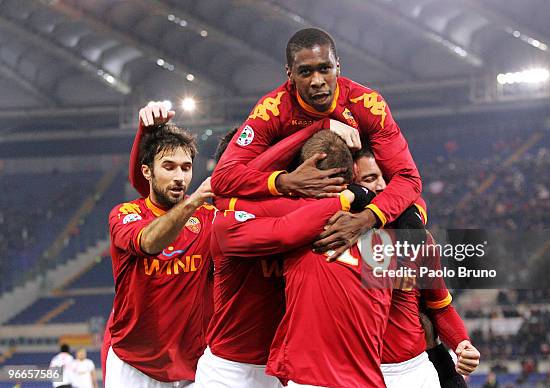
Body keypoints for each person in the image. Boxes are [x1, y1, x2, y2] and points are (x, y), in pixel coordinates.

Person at [211, 27, 422, 259]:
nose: (317, 81)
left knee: (415, 217)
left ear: (337, 66)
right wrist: (285, 181)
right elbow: (223, 178)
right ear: (289, 74)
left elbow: (407, 178)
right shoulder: (272, 109)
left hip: (357, 203)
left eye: (325, 69)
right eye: (305, 72)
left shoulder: (367, 105)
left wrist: (366, 219)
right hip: (293, 206)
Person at [197, 131, 373, 388]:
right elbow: (287, 229)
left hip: (283, 371)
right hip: (229, 371)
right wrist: (351, 197)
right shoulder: (226, 219)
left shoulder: (306, 210)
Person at [106, 102, 216, 387]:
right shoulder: (125, 214)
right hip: (135, 363)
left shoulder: (208, 218)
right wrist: (193, 202)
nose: (180, 177)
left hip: (192, 365)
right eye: (168, 167)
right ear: (147, 172)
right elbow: (148, 242)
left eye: (186, 167)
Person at [353, 148, 480, 387]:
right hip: (357, 372)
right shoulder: (335, 240)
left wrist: (462, 343)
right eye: (369, 179)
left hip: (416, 369)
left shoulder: (419, 239)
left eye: (385, 178)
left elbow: (441, 306)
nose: (381, 186)